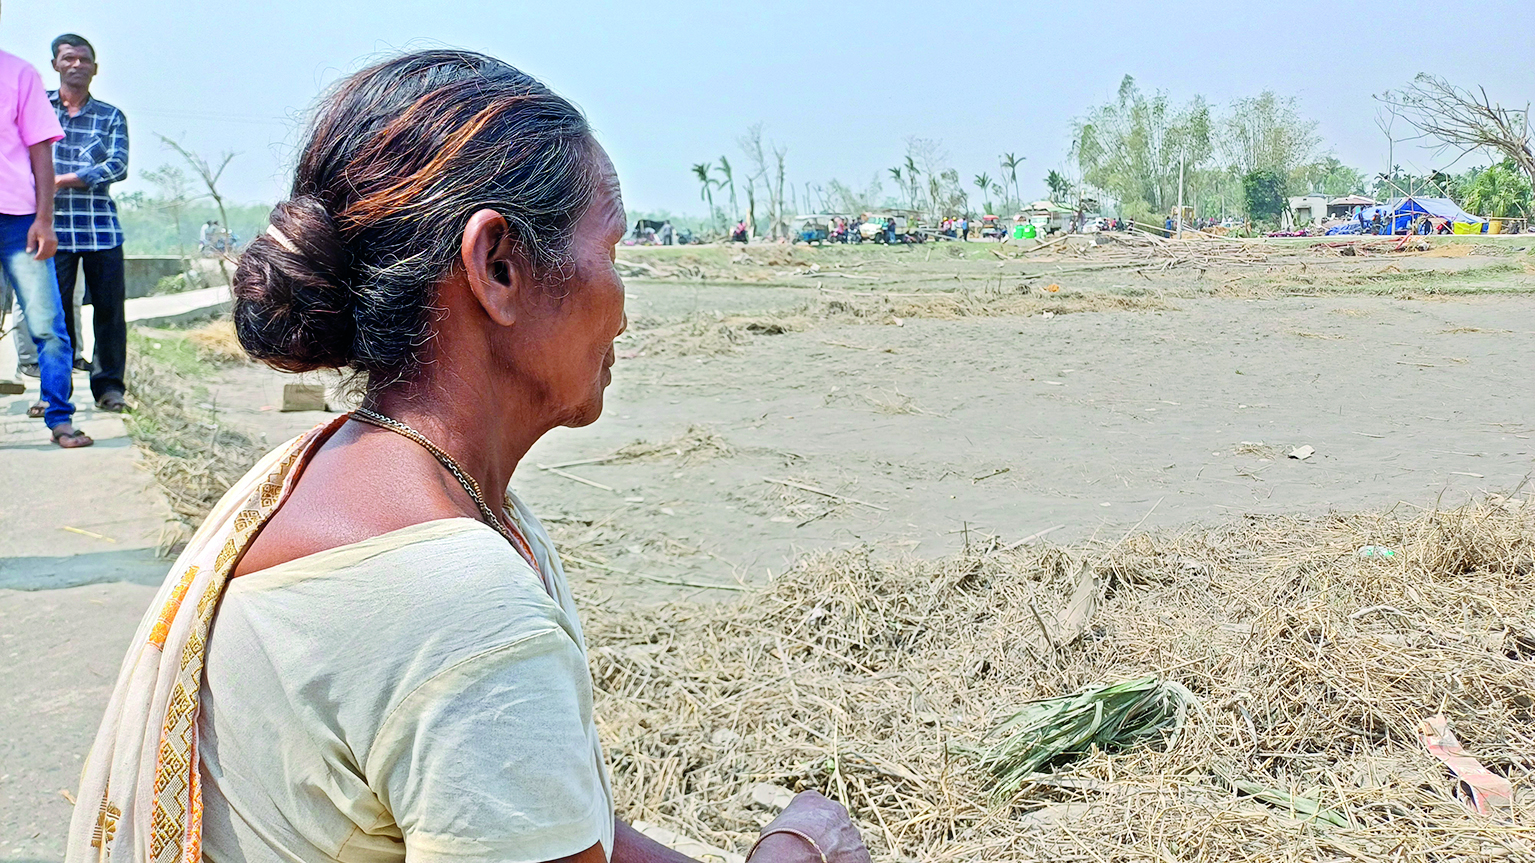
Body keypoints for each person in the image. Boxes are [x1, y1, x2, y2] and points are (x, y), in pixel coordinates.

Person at [66, 51, 868, 863]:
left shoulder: (353, 476)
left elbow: (538, 822)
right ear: (499, 267)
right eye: (613, 250)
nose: (625, 307)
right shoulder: (453, 605)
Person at [0, 41, 90, 446]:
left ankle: (59, 418)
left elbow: (41, 150)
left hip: (17, 222)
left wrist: (43, 219)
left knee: (49, 327)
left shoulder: (19, 74)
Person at [45, 33, 129, 412]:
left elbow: (117, 165)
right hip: (50, 230)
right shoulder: (37, 109)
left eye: (84, 59)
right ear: (55, 65)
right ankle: (54, 395)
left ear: (95, 69)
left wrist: (58, 179)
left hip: (100, 230)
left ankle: (110, 389)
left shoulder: (111, 116)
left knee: (109, 313)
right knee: (54, 316)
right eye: (68, 58)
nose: (77, 65)